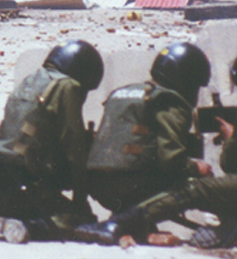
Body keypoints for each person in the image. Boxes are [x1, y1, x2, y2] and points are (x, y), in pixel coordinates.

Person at [80, 47, 237, 247]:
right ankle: (225, 226)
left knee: (196, 190)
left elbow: (231, 166)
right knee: (220, 189)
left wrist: (232, 137)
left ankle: (119, 224)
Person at [0, 41, 103, 243]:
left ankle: (8, 218)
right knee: (78, 221)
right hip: (20, 181)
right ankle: (28, 226)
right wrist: (80, 200)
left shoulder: (31, 81)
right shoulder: (67, 86)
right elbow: (74, 148)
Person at [85, 43, 211, 215]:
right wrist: (197, 168)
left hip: (97, 184)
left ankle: (129, 222)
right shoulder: (170, 101)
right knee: (202, 186)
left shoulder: (122, 93)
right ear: (186, 79)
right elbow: (171, 159)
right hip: (132, 185)